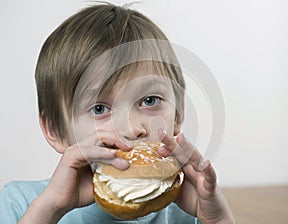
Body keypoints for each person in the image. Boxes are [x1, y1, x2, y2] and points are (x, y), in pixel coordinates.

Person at [0, 3, 235, 224]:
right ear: (55, 130)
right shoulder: (22, 203)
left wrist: (217, 219)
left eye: (149, 100)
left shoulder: (188, 209)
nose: (132, 129)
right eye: (100, 109)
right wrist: (50, 208)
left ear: (178, 113)